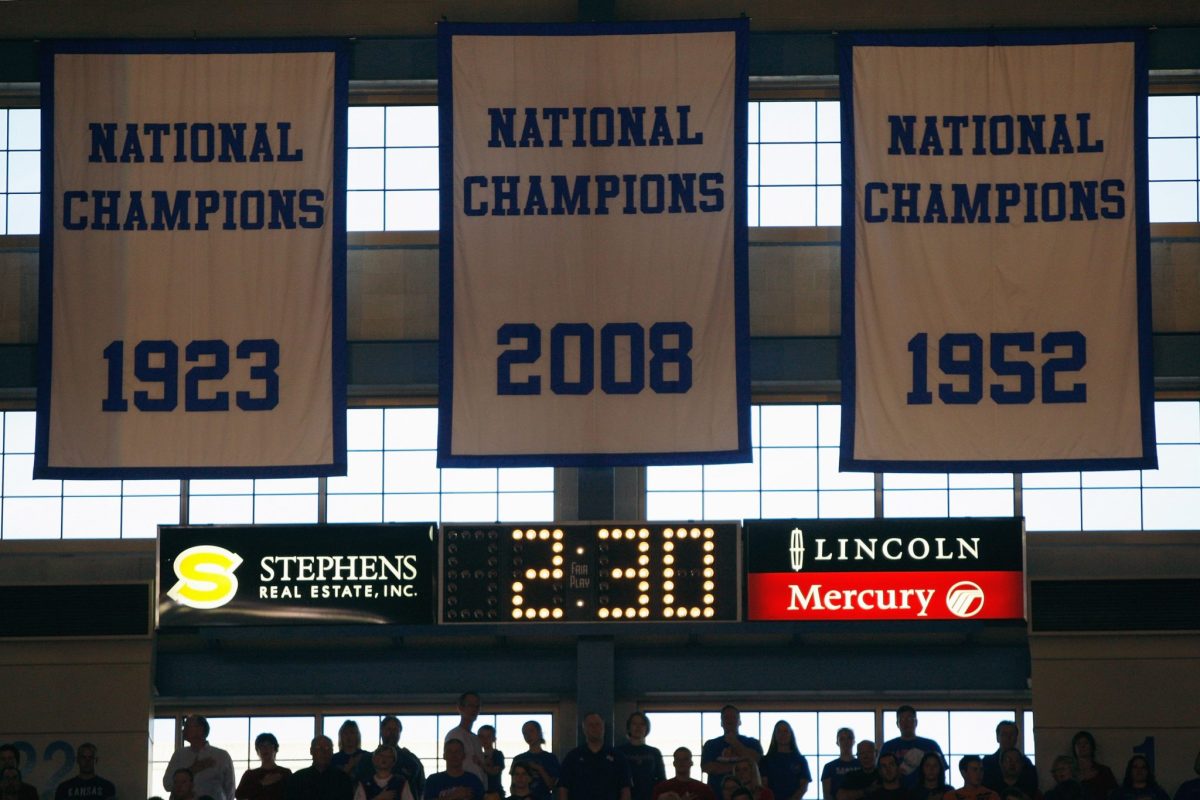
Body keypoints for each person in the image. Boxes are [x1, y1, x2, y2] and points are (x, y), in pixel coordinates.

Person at [558, 712, 632, 800]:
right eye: (590, 725)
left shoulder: (618, 756)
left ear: (603, 727)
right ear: (584, 729)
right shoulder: (573, 756)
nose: (594, 728)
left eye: (597, 724)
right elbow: (563, 788)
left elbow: (625, 789)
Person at [164, 716, 237, 800]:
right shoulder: (179, 755)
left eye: (187, 726)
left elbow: (230, 790)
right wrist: (192, 769)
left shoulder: (221, 756)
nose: (183, 730)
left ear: (200, 729)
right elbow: (167, 784)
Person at [702, 706, 764, 795]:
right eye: (726, 717)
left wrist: (735, 743)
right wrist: (739, 767)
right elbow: (708, 767)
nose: (729, 720)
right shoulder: (710, 744)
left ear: (740, 721)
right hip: (717, 795)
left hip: (748, 795)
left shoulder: (752, 743)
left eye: (733, 717)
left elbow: (756, 761)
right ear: (721, 723)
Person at [358, 717, 426, 799]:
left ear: (400, 733)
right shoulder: (367, 760)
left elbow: (421, 787)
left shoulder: (410, 760)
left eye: (395, 729)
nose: (392, 733)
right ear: (381, 731)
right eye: (389, 729)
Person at [881, 708, 945, 789]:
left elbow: (942, 771)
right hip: (896, 792)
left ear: (916, 722)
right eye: (902, 719)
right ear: (897, 724)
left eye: (909, 718)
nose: (906, 722)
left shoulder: (931, 745)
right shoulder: (888, 746)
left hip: (926, 792)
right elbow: (880, 772)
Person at [285, 736, 355, 800]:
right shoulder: (297, 779)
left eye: (327, 748)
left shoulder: (342, 779)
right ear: (311, 751)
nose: (323, 751)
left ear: (332, 752)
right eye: (318, 748)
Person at [616, 713, 666, 800]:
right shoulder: (619, 752)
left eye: (642, 724)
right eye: (634, 724)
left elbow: (661, 780)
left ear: (647, 728)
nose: (638, 727)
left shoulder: (654, 752)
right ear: (629, 727)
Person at [759, 720, 810, 800]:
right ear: (775, 735)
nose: (782, 734)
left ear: (791, 734)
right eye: (779, 731)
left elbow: (804, 786)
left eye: (785, 731)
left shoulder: (800, 760)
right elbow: (763, 785)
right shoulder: (766, 760)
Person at [446, 694, 488, 787]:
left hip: (478, 787)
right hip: (461, 786)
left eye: (477, 706)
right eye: (470, 705)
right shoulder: (454, 735)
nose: (474, 709)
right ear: (460, 708)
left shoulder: (476, 738)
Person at [983, 724, 1037, 796]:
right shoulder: (987, 763)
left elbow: (1032, 787)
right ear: (997, 737)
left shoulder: (1026, 763)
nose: (1008, 737)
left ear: (1016, 738)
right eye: (1004, 734)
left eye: (1012, 734)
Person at [236, 733, 293, 800]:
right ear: (257, 751)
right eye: (261, 746)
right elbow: (239, 795)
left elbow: (293, 794)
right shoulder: (250, 775)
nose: (265, 749)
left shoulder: (285, 773)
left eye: (268, 745)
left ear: (275, 749)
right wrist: (262, 783)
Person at [513, 721, 559, 800]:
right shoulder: (518, 759)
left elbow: (552, 786)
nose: (528, 735)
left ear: (539, 732)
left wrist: (540, 769)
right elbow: (513, 785)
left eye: (531, 731)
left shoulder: (550, 758)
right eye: (525, 733)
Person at [1070, 733, 1117, 800]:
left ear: (1092, 746)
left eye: (1086, 743)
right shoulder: (1069, 773)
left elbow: (1114, 794)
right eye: (1078, 743)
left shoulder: (1104, 771)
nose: (1082, 746)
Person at [823, 729, 861, 800]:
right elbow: (827, 795)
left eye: (849, 738)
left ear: (854, 741)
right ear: (837, 742)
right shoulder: (829, 767)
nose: (846, 742)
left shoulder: (862, 764)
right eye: (842, 739)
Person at [478, 726, 505, 798]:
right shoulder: (479, 755)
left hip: (495, 793)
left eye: (488, 737)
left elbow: (494, 772)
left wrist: (481, 764)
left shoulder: (497, 754)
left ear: (494, 739)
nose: (485, 740)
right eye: (482, 737)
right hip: (480, 792)